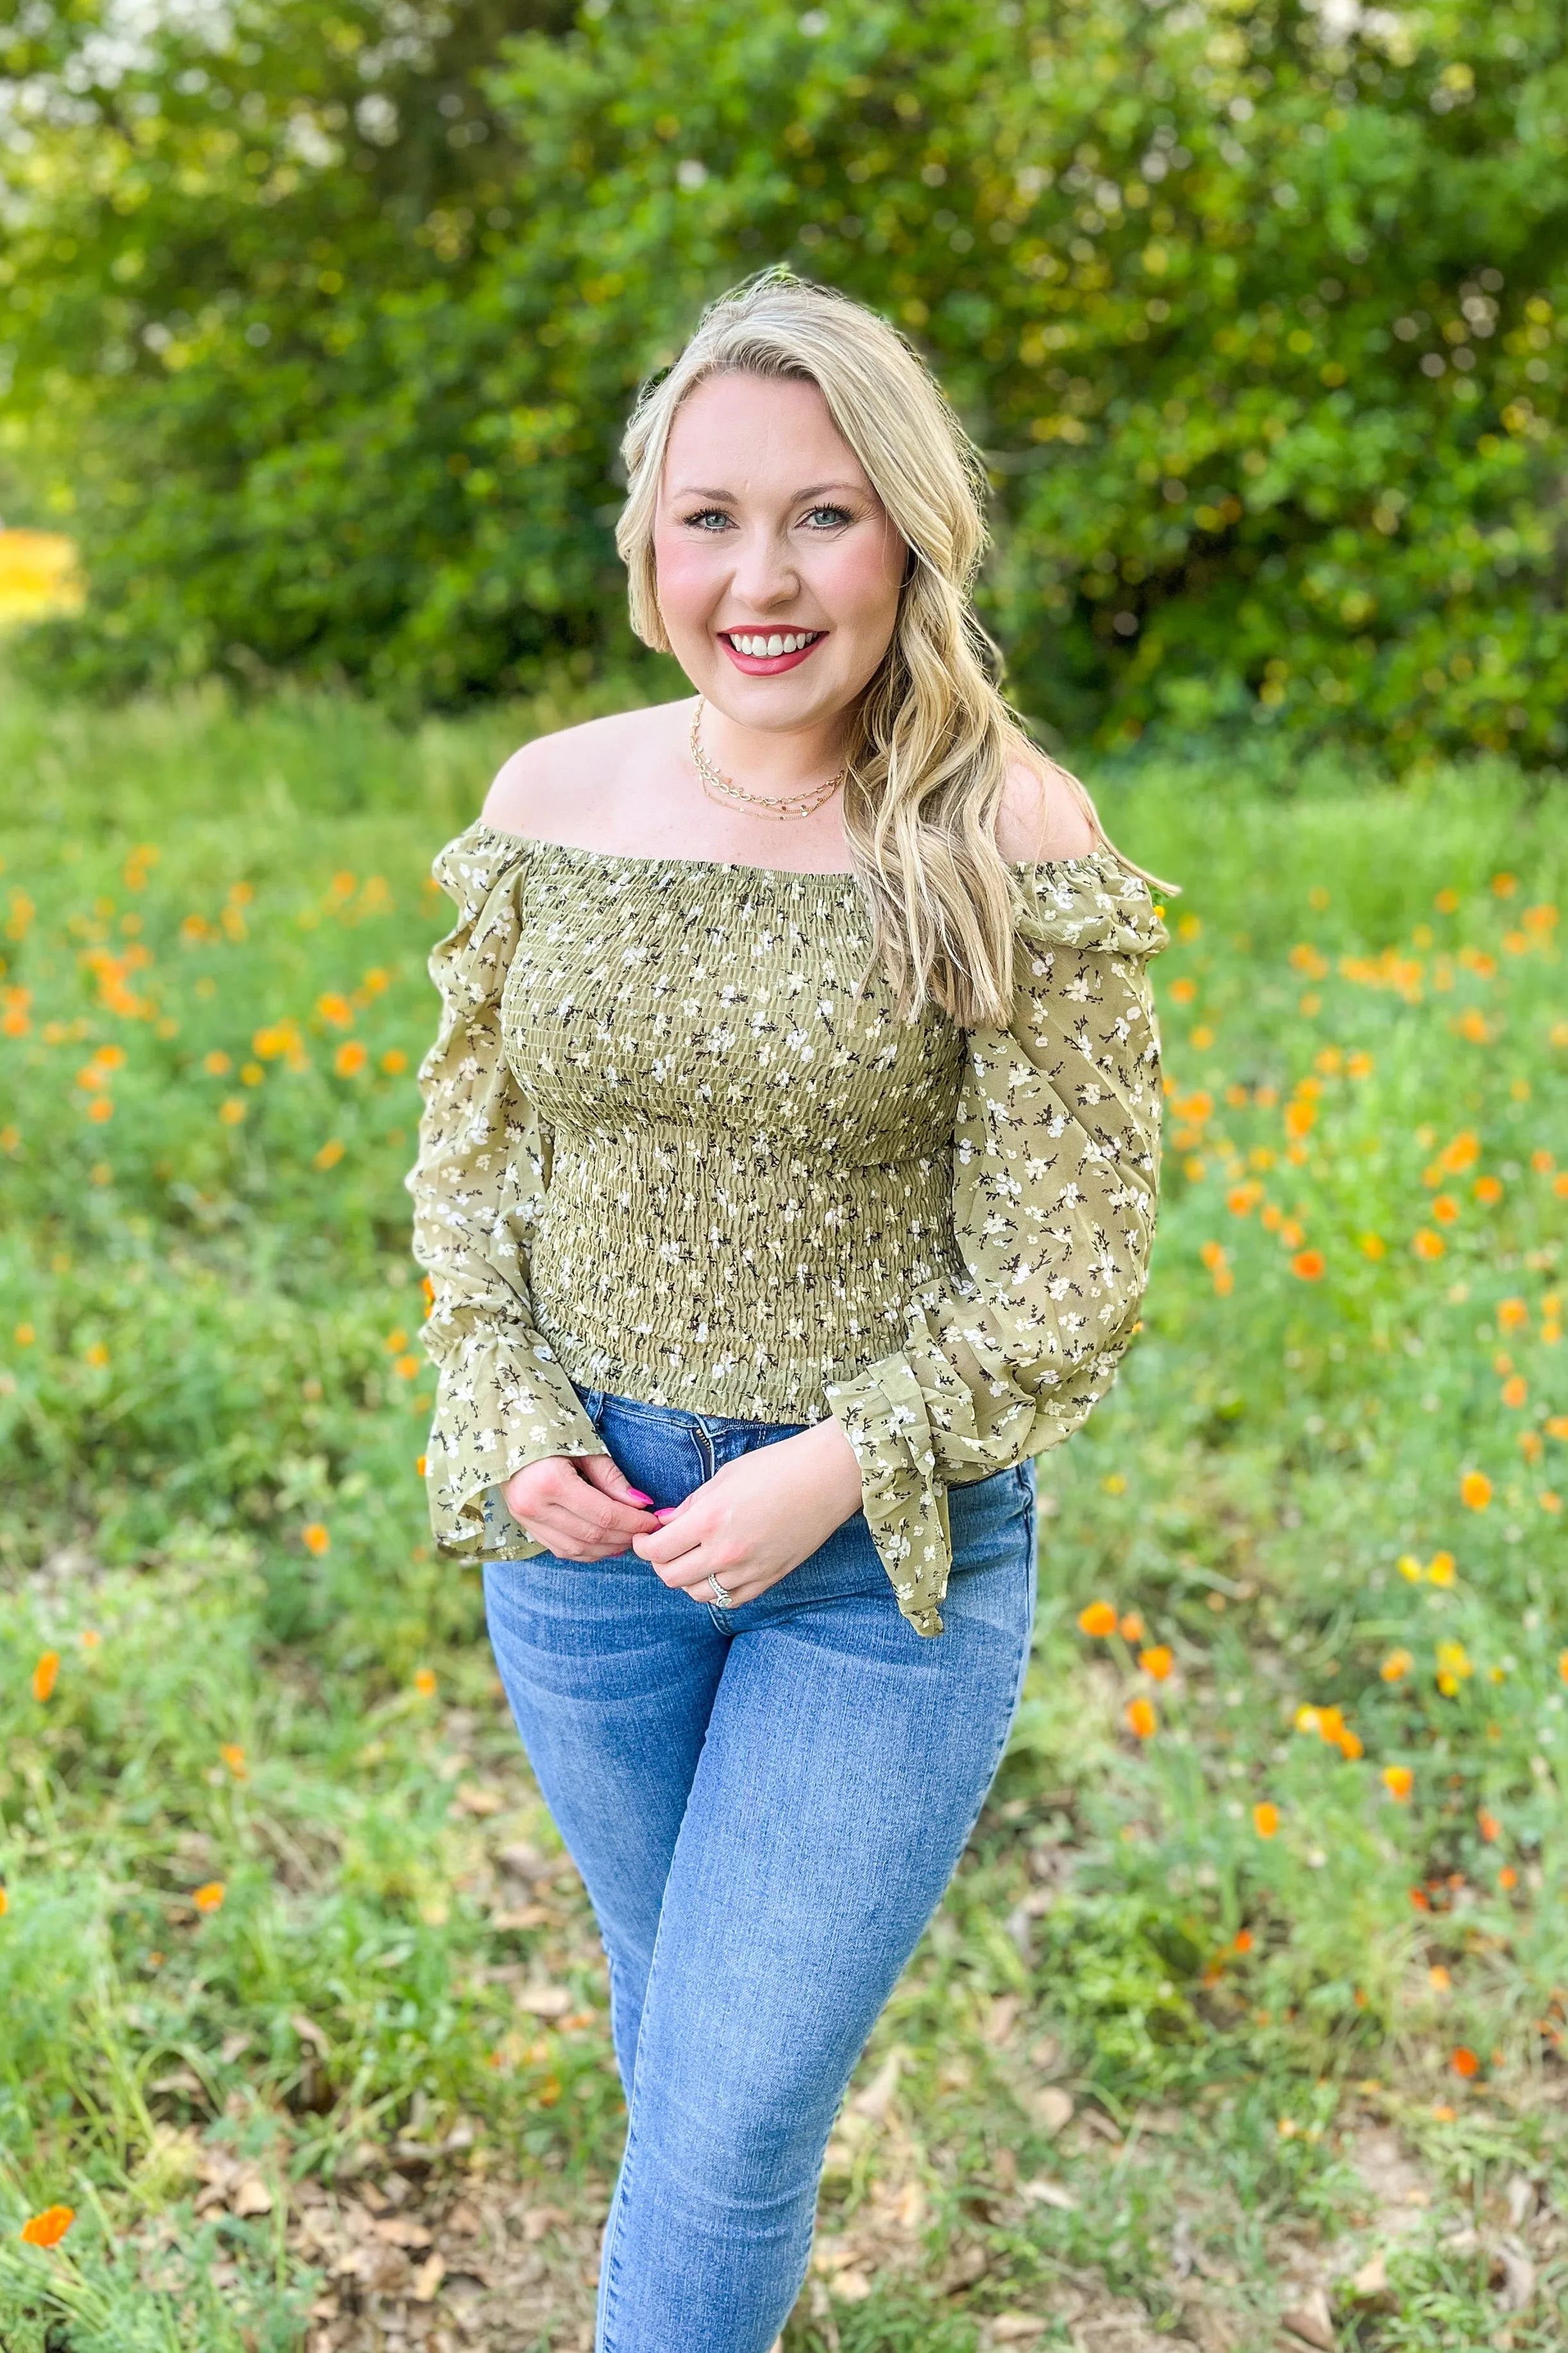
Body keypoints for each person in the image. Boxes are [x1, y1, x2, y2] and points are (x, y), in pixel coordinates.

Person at [409, 269, 1167, 2353]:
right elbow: (474, 1169)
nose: (762, 575)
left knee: (729, 2107)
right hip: (588, 1554)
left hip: (876, 1569)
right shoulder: (554, 796)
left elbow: (1069, 1270)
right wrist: (502, 1392)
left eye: (823, 514)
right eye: (708, 515)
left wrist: (839, 1461)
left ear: (909, 533)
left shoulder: (1000, 835)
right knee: (693, 2062)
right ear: (646, 542)